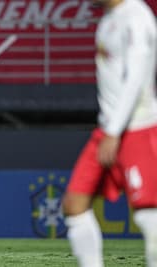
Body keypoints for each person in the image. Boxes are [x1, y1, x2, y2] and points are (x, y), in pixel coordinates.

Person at [62, 0, 157, 266]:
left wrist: (114, 132)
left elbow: (136, 78)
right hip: (108, 129)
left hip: (137, 127)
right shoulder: (108, 18)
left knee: (149, 214)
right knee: (74, 204)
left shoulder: (136, 17)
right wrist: (110, 129)